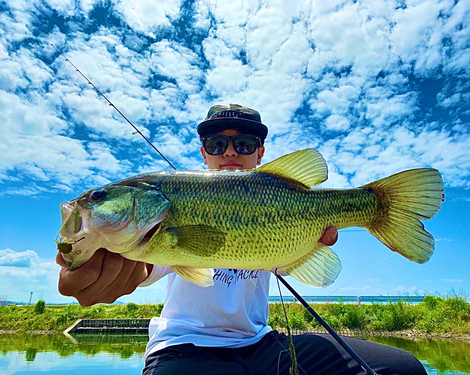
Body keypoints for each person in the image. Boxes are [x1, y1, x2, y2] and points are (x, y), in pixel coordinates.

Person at [56, 104, 427, 375]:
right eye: (216, 144)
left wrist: (308, 242)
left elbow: (301, 262)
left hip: (263, 344)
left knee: (403, 370)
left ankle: (378, 205)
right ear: (203, 153)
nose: (230, 152)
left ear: (261, 154)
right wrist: (93, 274)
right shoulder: (162, 220)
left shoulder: (277, 191)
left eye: (245, 144)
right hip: (185, 350)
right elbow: (140, 269)